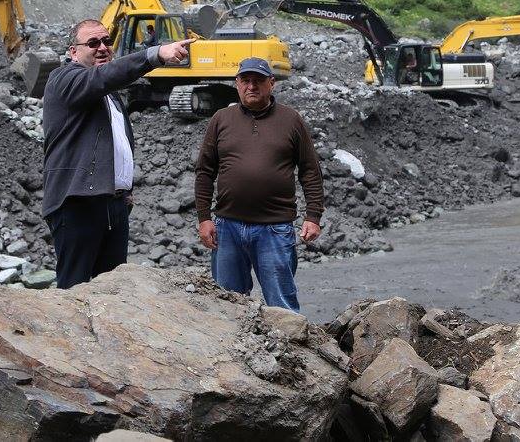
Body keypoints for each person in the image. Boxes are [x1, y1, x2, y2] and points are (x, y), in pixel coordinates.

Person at [42, 18, 194, 288]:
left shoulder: (110, 97)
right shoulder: (62, 79)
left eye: (106, 41)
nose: (102, 48)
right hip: (78, 202)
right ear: (73, 52)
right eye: (92, 43)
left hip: (113, 205)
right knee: (74, 289)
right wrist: (154, 54)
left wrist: (125, 189)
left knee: (113, 291)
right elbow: (104, 76)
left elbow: (118, 142)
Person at [194, 57, 324, 311]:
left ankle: (289, 349)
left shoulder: (291, 120)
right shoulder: (221, 119)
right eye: (245, 80)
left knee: (281, 305)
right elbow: (205, 171)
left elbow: (310, 170)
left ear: (271, 83)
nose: (251, 86)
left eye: (258, 81)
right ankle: (233, 351)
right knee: (228, 304)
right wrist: (203, 218)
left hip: (274, 230)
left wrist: (313, 216)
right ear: (237, 83)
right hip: (227, 228)